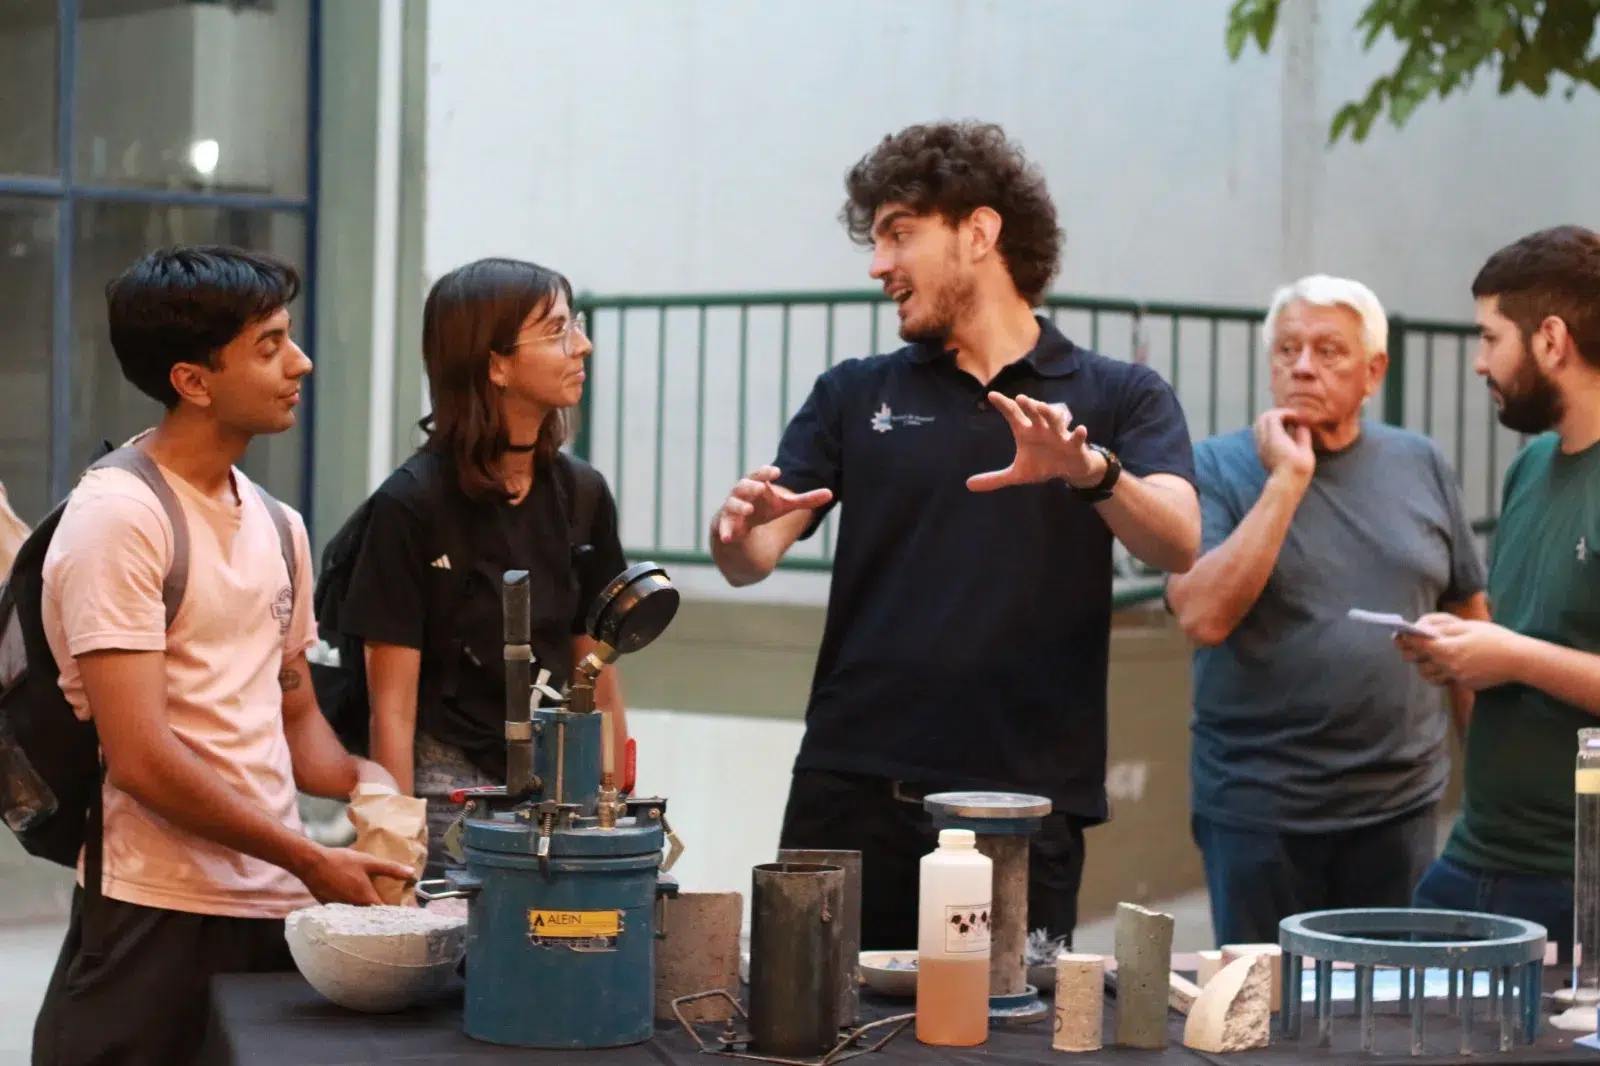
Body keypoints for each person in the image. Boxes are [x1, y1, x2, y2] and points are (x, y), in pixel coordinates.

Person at [710, 121, 1201, 951]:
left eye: (900, 234)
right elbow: (753, 556)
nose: (877, 265)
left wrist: (1092, 474)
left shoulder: (1118, 395)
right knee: (816, 1027)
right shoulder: (853, 393)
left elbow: (1179, 540)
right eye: (875, 241)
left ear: (979, 232)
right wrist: (735, 533)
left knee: (994, 1037)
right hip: (850, 791)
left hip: (1019, 810)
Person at [32, 245, 414, 1066]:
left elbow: (295, 715)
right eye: (270, 345)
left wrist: (364, 781)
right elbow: (140, 758)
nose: (301, 363)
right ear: (194, 381)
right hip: (154, 914)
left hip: (272, 910)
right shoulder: (120, 519)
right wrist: (310, 858)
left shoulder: (280, 525)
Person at [1164, 275, 1489, 947]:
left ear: (1374, 371)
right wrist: (1287, 479)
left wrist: (1486, 784)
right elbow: (1202, 616)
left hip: (1398, 804)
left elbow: (1468, 615)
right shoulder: (1217, 467)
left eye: (1328, 350)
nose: (1303, 366)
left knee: (1389, 1018)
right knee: (1268, 1022)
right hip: (1259, 809)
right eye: (1287, 350)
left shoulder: (1420, 461)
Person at [334, 257, 630, 875]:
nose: (583, 344)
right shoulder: (409, 504)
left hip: (560, 779)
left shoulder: (582, 494)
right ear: (494, 365)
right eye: (555, 330)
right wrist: (399, 846)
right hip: (449, 788)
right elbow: (392, 706)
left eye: (572, 324)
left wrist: (615, 799)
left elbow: (595, 662)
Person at [1398, 225, 1600, 960]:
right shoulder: (1530, 468)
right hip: (1476, 858)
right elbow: (1523, 643)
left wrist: (1510, 656)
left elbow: (1523, 652)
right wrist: (1463, 654)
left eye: (1490, 337)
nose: (1480, 362)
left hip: (1577, 882)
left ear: (1552, 340)